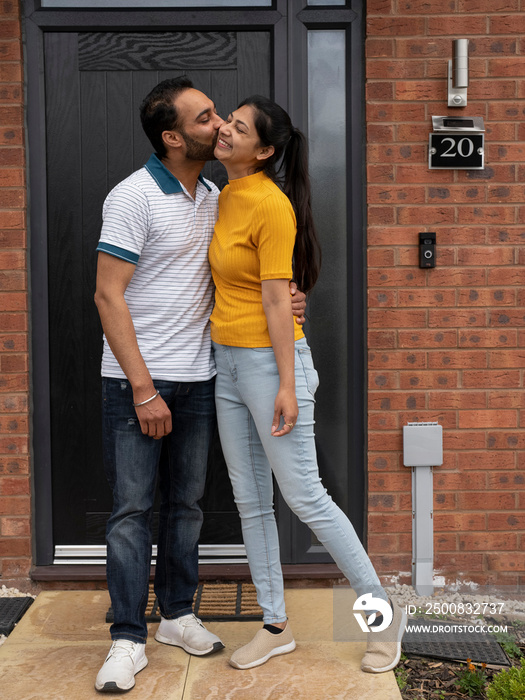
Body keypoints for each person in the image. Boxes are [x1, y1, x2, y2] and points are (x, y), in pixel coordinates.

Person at [93, 78, 306, 693]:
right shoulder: (132, 197)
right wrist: (142, 388)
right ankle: (127, 637)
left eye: (220, 115)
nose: (219, 125)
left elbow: (249, 275)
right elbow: (108, 295)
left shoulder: (218, 194)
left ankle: (178, 614)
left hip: (203, 374)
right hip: (139, 381)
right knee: (132, 511)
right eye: (206, 116)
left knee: (186, 507)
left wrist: (294, 298)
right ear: (172, 135)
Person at [209, 95, 406, 674]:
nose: (224, 129)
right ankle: (275, 626)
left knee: (308, 499)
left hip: (273, 366)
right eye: (228, 121)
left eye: (238, 128)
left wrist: (289, 386)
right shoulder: (225, 196)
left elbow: (275, 297)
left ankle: (383, 621)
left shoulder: (272, 205)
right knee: (251, 503)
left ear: (265, 151)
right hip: (227, 365)